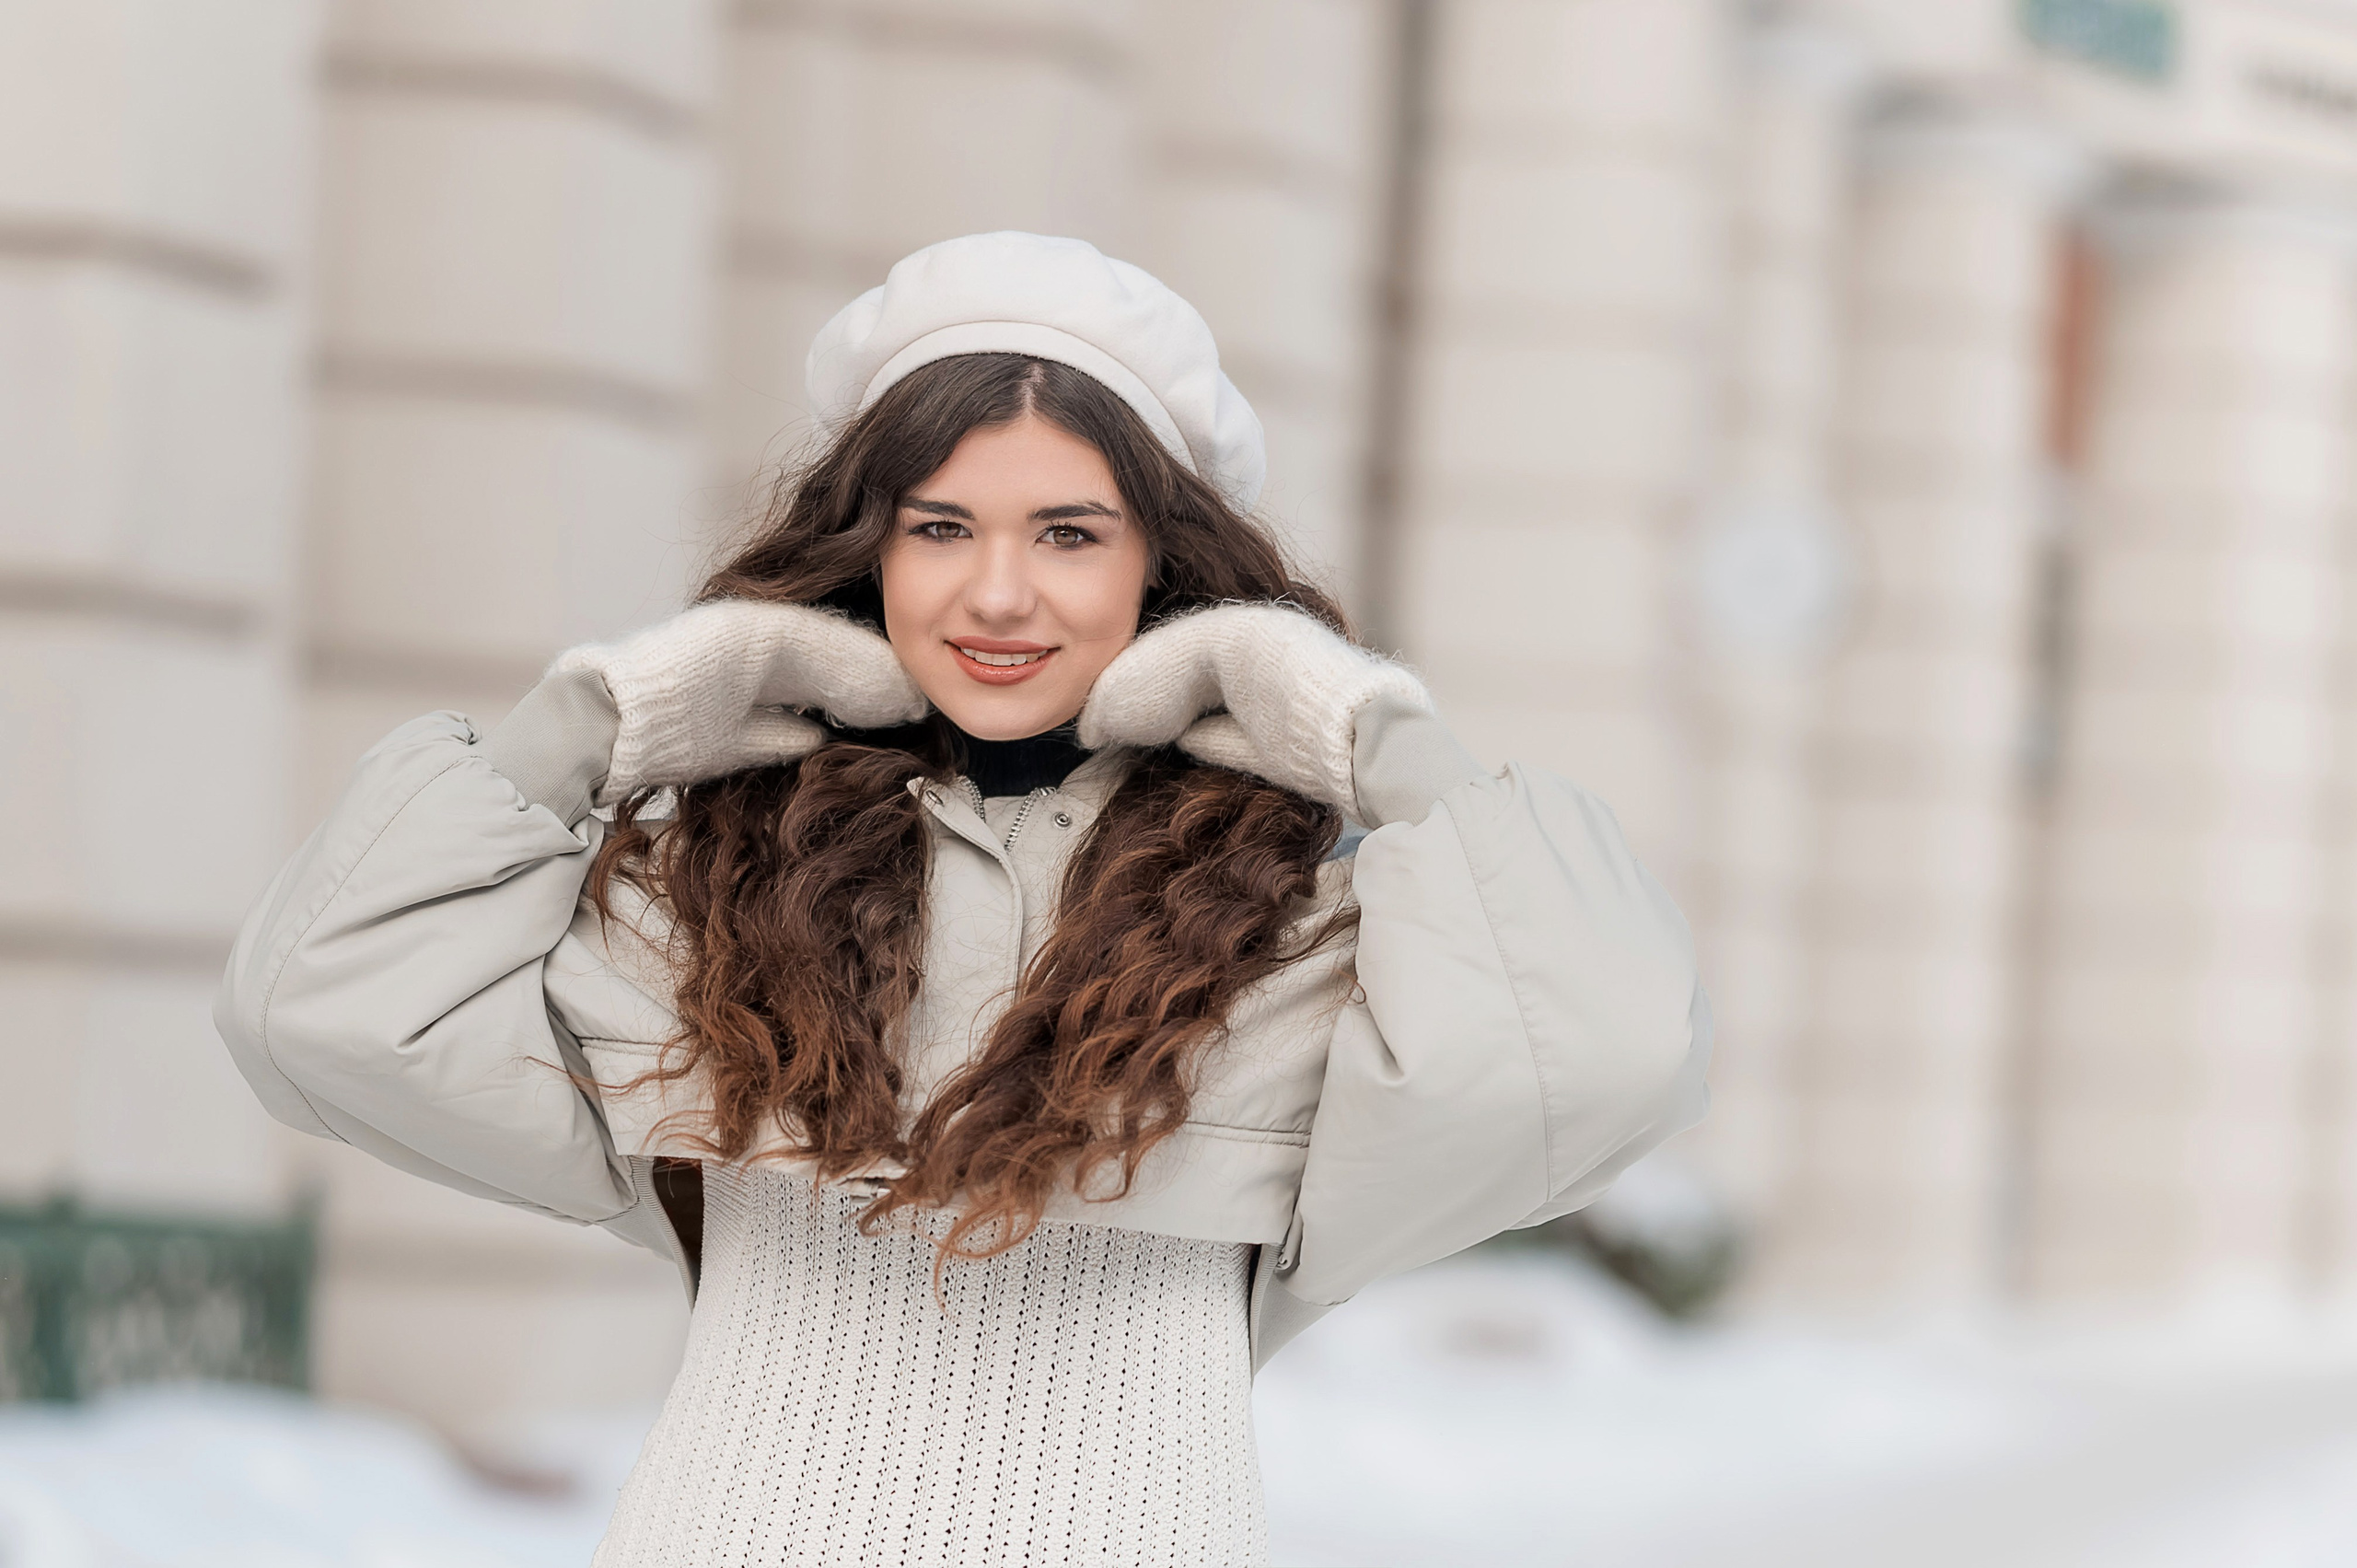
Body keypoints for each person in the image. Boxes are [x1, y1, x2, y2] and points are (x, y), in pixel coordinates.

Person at [215, 232, 1711, 1567]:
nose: (998, 595)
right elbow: (316, 1014)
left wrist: (1372, 738)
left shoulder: (1290, 945)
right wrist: (594, 728)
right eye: (940, 528)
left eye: (1069, 533)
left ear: (1164, 570)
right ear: (868, 557)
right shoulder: (717, 899)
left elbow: (1608, 1057)